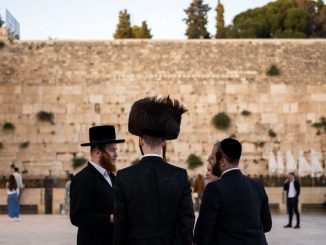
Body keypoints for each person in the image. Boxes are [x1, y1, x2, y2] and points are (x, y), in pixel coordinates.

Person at [114, 96, 195, 245]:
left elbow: (120, 227)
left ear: (141, 140)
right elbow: (186, 224)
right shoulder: (179, 176)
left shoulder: (123, 177)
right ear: (164, 143)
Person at [194, 138, 272, 245]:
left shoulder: (214, 189)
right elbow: (267, 225)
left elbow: (203, 234)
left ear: (222, 162)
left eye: (212, 158)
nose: (210, 162)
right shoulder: (257, 185)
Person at [70, 125, 125, 245]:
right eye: (112, 150)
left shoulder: (112, 177)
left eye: (116, 150)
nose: (116, 154)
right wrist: (109, 219)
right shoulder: (83, 179)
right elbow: (77, 216)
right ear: (97, 152)